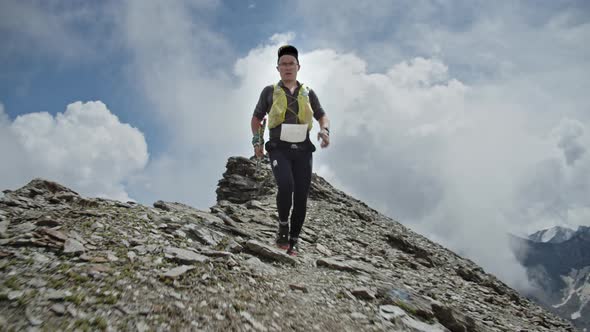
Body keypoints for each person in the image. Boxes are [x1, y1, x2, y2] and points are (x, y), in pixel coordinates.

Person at [251, 45, 330, 256]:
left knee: (302, 196)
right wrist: (257, 142)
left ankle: (294, 240)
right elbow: (256, 118)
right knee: (286, 185)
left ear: (298, 66)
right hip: (279, 148)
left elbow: (322, 115)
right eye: (283, 64)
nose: (287, 67)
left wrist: (324, 130)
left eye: (291, 64)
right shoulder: (269, 92)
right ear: (277, 68)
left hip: (303, 149)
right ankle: (283, 226)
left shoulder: (308, 92)